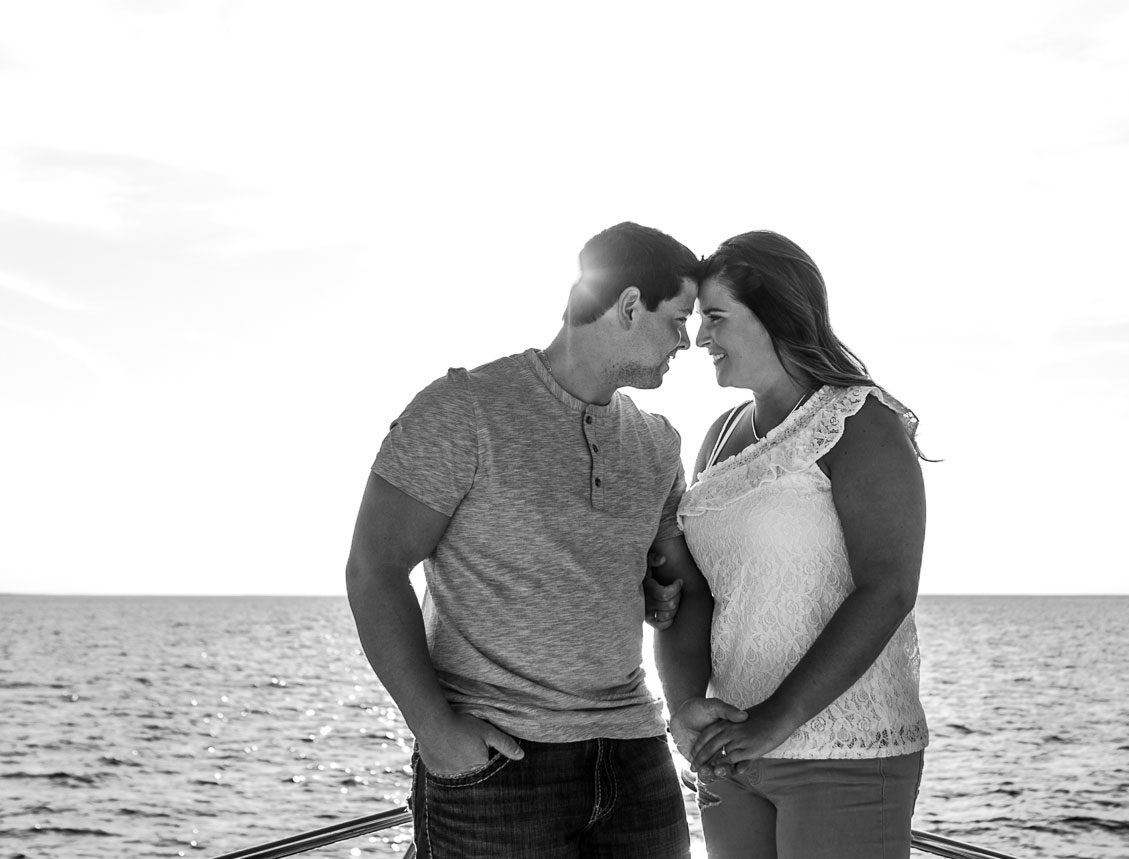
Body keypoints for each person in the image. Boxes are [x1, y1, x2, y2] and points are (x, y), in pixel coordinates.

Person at [344, 222, 720, 859]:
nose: (686, 342)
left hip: (635, 755)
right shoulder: (463, 409)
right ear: (629, 305)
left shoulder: (658, 444)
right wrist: (436, 732)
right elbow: (374, 569)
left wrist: (680, 699)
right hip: (499, 762)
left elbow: (680, 590)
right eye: (678, 319)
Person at [667, 230, 930, 859]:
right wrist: (686, 709)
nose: (700, 338)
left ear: (777, 317)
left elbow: (887, 586)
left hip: (845, 751)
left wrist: (776, 720)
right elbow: (697, 594)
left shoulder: (859, 422)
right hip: (731, 752)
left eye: (717, 317)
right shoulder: (720, 435)